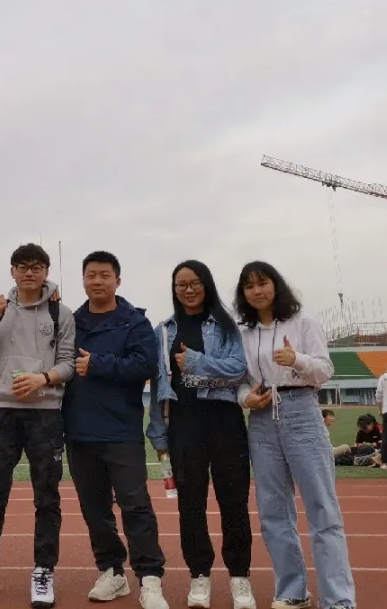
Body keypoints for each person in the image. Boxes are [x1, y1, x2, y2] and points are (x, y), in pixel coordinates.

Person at [234, 260, 356, 609]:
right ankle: (292, 591)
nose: (256, 291)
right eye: (249, 286)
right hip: (261, 419)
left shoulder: (303, 323)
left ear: (276, 285)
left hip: (301, 410)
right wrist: (245, 399)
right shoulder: (245, 334)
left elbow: (325, 370)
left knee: (322, 508)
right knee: (273, 511)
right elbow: (241, 381)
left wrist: (296, 359)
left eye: (262, 283)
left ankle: (337, 598)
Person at [0, 243, 76, 609]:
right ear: (12, 271)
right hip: (1, 412)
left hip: (45, 413)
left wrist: (44, 378)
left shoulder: (60, 312)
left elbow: (68, 362)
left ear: (46, 271)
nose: (29, 272)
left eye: (36, 266)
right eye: (22, 266)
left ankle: (43, 572)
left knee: (47, 496)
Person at [62, 250, 169, 609]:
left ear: (117, 280)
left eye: (104, 275)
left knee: (135, 505)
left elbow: (145, 366)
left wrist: (98, 364)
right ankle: (111, 571)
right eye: (90, 275)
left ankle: (150, 577)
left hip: (121, 430)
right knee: (94, 509)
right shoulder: (71, 321)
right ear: (83, 280)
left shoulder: (134, 322)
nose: (97, 281)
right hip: (79, 429)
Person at [146, 260, 255, 609]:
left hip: (224, 420)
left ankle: (239, 577)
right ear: (174, 289)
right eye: (181, 284)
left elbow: (238, 369)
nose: (188, 290)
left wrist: (196, 362)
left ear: (206, 285)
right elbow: (160, 385)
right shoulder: (163, 331)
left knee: (233, 501)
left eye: (195, 283)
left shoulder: (227, 326)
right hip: (183, 423)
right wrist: (158, 435)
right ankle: (199, 575)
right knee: (190, 504)